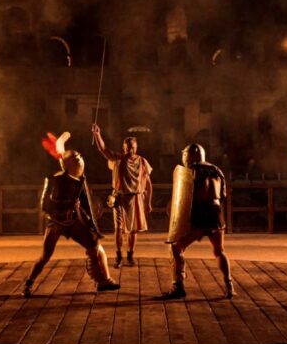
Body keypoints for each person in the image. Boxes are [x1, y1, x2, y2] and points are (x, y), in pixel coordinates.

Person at [24, 134, 120, 297]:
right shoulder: (54, 180)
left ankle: (103, 280)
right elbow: (45, 206)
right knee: (45, 256)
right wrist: (66, 206)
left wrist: (92, 226)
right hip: (56, 223)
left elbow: (86, 204)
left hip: (73, 220)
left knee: (95, 247)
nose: (80, 158)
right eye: (76, 157)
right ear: (67, 163)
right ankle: (28, 283)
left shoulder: (79, 181)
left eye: (79, 156)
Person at [160, 143, 234, 299]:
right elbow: (223, 195)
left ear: (190, 156)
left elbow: (187, 197)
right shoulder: (217, 170)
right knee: (219, 251)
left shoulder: (190, 172)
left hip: (200, 214)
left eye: (185, 155)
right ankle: (229, 286)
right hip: (215, 214)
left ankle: (178, 286)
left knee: (176, 247)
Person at [92, 123, 153, 267]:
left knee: (133, 230)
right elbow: (103, 149)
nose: (130, 149)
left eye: (132, 146)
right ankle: (118, 256)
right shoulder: (117, 159)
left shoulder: (143, 161)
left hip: (136, 198)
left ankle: (130, 255)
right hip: (119, 197)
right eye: (127, 146)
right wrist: (97, 134)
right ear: (124, 147)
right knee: (118, 228)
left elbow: (149, 184)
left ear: (136, 147)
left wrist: (149, 202)